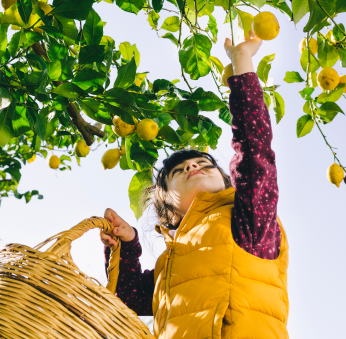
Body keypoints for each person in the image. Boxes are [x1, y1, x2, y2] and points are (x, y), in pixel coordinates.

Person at [100, 30, 289, 338]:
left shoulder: (246, 222)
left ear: (229, 182)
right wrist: (128, 245)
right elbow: (127, 298)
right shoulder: (168, 265)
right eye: (179, 171)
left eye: (204, 164)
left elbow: (255, 152)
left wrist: (242, 61)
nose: (192, 165)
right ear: (167, 211)